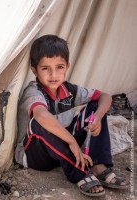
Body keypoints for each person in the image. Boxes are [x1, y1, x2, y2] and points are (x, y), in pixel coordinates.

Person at [15, 34, 128, 197]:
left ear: (67, 66)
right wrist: (72, 141)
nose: (53, 74)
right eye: (45, 68)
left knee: (95, 106)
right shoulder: (33, 91)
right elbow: (41, 116)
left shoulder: (69, 90)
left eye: (59, 67)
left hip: (62, 150)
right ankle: (79, 172)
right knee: (38, 123)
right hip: (35, 156)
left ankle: (98, 165)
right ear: (34, 70)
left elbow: (105, 96)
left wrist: (97, 117)